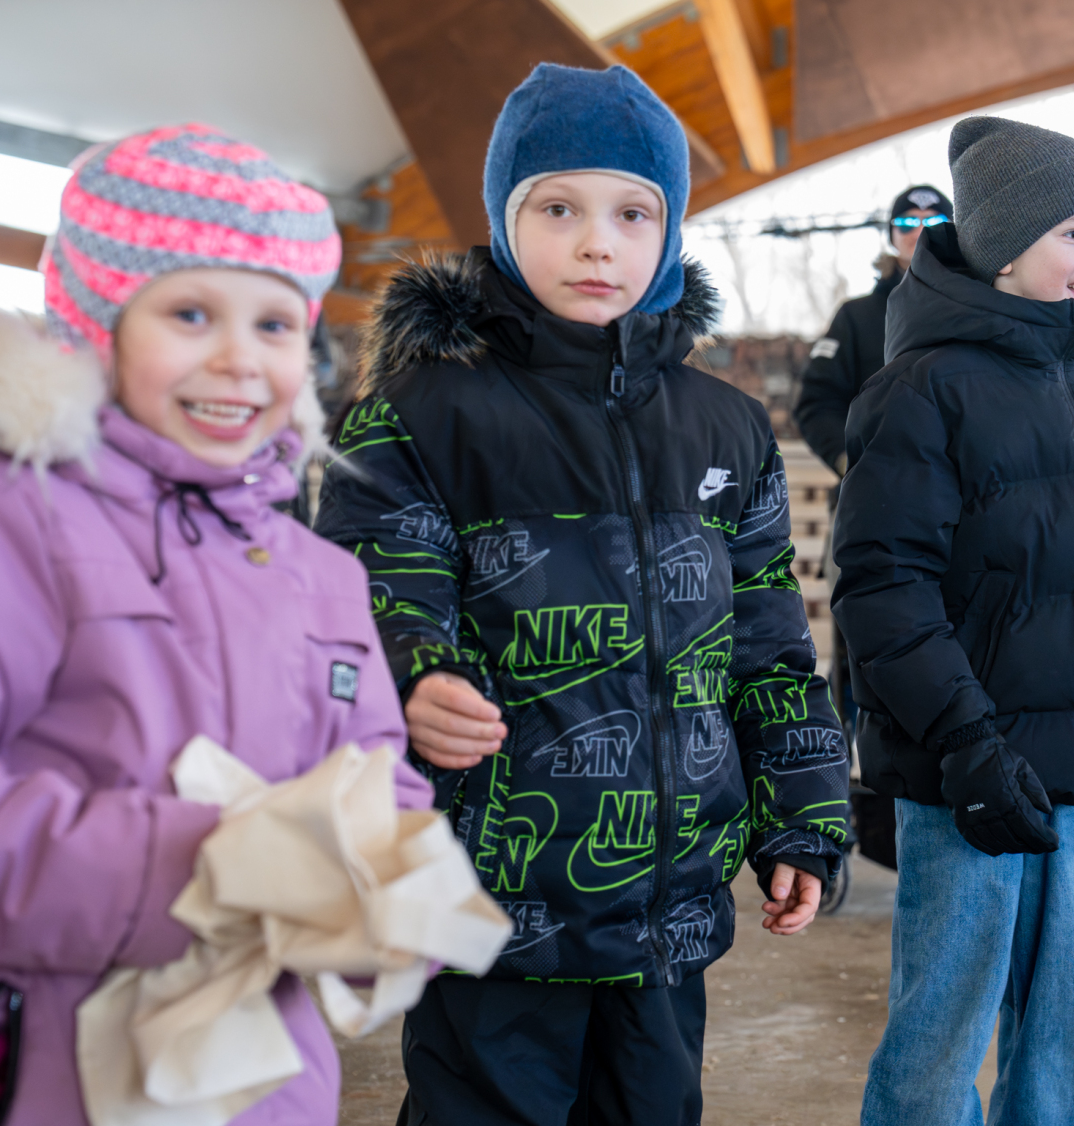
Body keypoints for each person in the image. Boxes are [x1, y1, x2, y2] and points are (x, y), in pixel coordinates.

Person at [313, 64, 848, 1126]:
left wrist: (802, 816)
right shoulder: (423, 410)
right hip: (489, 900)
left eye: (632, 214)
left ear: (670, 231)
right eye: (558, 209)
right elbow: (373, 584)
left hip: (668, 908)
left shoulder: (726, 427)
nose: (597, 243)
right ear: (505, 223)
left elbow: (768, 646)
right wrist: (414, 679)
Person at [0, 124, 431, 1126]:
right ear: (96, 324)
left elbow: (376, 782)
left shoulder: (321, 574)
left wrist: (393, 890)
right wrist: (204, 866)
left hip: (260, 1083)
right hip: (39, 1073)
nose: (239, 359)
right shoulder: (1, 518)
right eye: (191, 313)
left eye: (275, 324)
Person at [833, 116, 1074, 1126]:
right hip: (965, 774)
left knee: (1062, 1020)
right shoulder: (923, 391)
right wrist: (966, 741)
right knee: (944, 1018)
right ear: (1001, 243)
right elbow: (884, 584)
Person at [794, 184, 952, 476]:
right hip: (880, 490)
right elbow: (818, 402)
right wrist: (850, 462)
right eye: (906, 222)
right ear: (891, 234)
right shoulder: (855, 317)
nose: (919, 231)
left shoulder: (981, 309)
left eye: (934, 221)